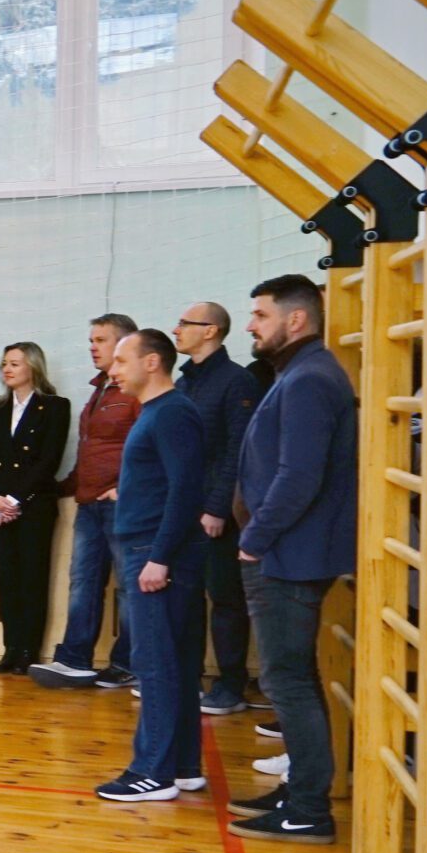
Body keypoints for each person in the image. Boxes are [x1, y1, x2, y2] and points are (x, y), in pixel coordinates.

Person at [227, 275, 356, 843]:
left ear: (296, 319)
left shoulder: (309, 379)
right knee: (292, 678)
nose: (251, 326)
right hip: (285, 552)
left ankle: (307, 808)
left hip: (287, 555)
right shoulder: (301, 373)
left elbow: (299, 475)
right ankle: (300, 793)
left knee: (288, 681)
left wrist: (256, 538)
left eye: (260, 315)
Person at [94, 330, 207, 802]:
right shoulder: (159, 412)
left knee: (156, 664)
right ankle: (182, 766)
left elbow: (186, 490)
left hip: (156, 553)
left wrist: (159, 557)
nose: (113, 369)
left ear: (153, 362)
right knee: (172, 663)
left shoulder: (173, 412)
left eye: (122, 360)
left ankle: (152, 772)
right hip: (151, 548)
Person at [30, 315, 141, 690]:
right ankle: (74, 660)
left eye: (101, 340)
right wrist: (62, 487)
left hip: (121, 503)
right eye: (91, 340)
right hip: (89, 503)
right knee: (83, 582)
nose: (92, 347)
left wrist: (126, 487)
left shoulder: (135, 390)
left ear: (124, 344)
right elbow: (90, 450)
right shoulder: (99, 390)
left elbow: (146, 446)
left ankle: (128, 664)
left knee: (129, 587)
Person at [172, 301, 262, 716]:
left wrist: (217, 507)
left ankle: (230, 685)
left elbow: (237, 451)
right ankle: (188, 677)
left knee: (225, 599)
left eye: (184, 323)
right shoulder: (184, 382)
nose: (176, 330)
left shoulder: (236, 381)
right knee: (187, 597)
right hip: (183, 509)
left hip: (215, 513)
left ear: (210, 330)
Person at [0, 342, 70, 674]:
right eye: (4, 363)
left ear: (33, 367)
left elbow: (49, 459)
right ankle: (10, 647)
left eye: (14, 363)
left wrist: (15, 500)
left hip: (33, 506)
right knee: (7, 578)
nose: (7, 369)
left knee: (32, 577)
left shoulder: (54, 406)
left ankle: (29, 649)